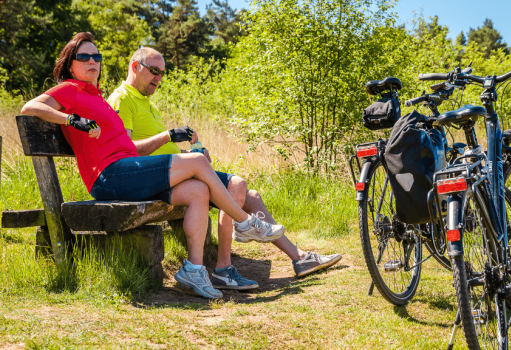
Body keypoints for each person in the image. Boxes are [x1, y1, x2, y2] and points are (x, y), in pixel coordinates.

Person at [20, 32, 285, 300]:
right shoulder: (70, 90)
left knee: (197, 190)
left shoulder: (97, 98)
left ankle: (194, 269)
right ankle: (245, 223)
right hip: (109, 177)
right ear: (70, 65)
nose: (92, 62)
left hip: (128, 169)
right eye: (84, 57)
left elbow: (129, 147)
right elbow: (30, 106)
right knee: (195, 161)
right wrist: (70, 119)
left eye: (96, 57)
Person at [106, 47, 342, 288]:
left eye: (162, 73)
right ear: (135, 67)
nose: (159, 78)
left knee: (251, 196)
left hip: (174, 172)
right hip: (155, 180)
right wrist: (169, 136)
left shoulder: (145, 101)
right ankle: (224, 267)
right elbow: (129, 152)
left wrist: (190, 154)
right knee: (236, 186)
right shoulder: (122, 99)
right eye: (154, 71)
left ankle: (299, 258)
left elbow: (159, 151)